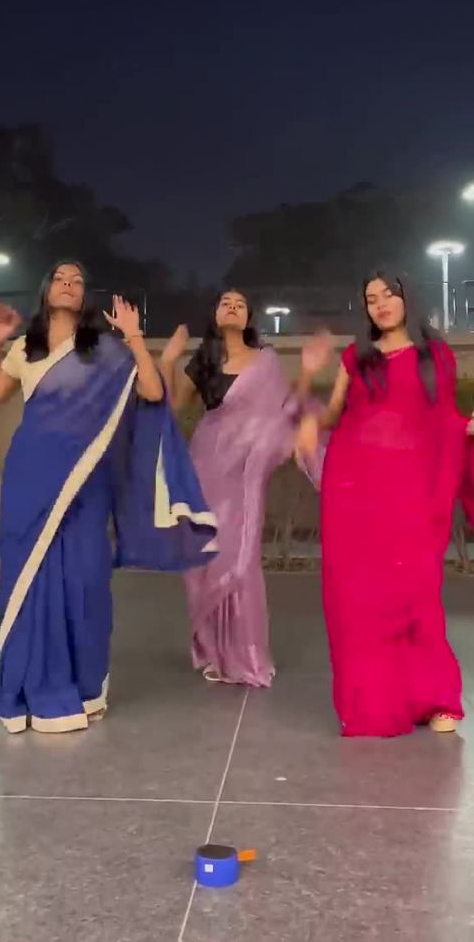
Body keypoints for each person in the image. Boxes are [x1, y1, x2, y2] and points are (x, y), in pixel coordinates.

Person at [296, 270, 474, 738]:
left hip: (411, 492)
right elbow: (331, 416)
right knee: (359, 598)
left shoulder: (436, 357)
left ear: (408, 299)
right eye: (371, 298)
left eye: (389, 294)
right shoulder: (356, 358)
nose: (381, 303)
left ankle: (434, 698)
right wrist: (308, 381)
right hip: (354, 491)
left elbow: (442, 420)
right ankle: (373, 702)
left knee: (416, 588)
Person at [0, 262, 217, 734]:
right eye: (60, 278)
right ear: (46, 290)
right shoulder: (25, 348)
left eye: (77, 281)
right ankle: (27, 689)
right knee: (27, 581)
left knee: (86, 581)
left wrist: (133, 336)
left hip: (89, 486)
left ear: (84, 296)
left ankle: (84, 689)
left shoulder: (105, 351)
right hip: (31, 479)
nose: (69, 284)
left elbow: (152, 392)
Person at [160, 290, 327, 687]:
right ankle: (214, 652)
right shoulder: (202, 362)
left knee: (241, 558)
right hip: (206, 464)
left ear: (249, 316)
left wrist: (307, 372)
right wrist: (167, 360)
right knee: (205, 559)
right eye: (225, 303)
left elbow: (289, 409)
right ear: (215, 315)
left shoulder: (266, 361)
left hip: (246, 471)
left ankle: (247, 655)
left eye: (239, 304)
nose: (232, 306)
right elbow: (172, 409)